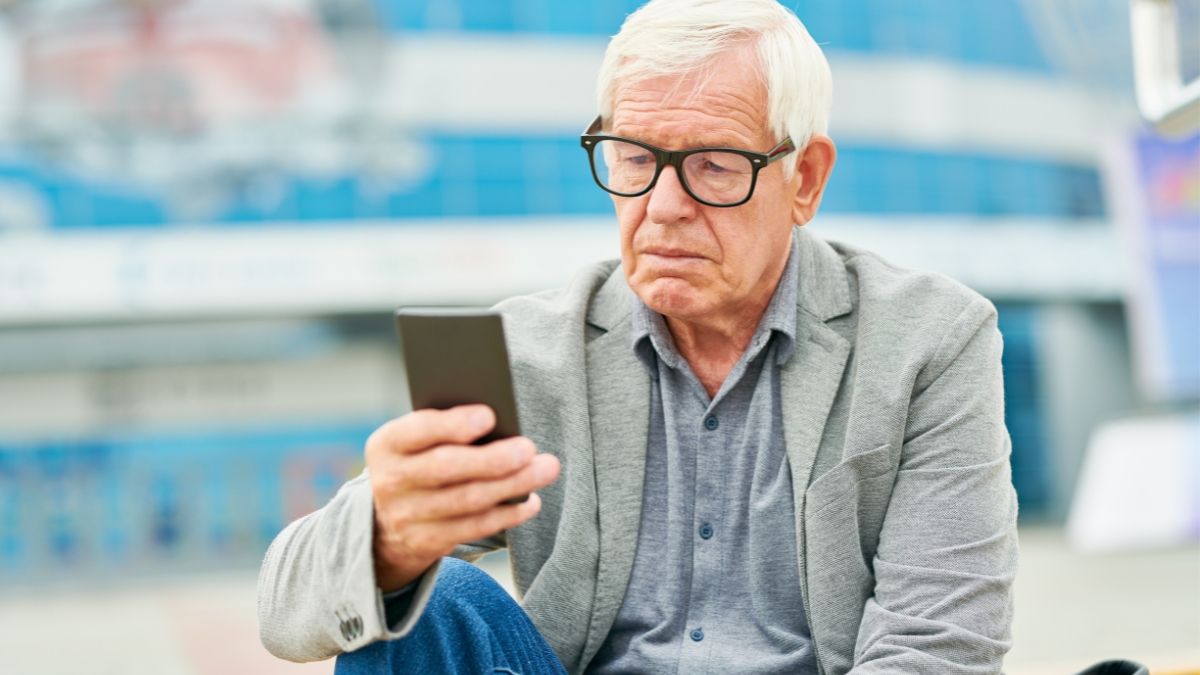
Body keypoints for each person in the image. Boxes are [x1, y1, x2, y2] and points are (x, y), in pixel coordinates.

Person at [257, 0, 1019, 672]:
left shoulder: (928, 340)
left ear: (807, 179)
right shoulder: (530, 353)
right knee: (429, 598)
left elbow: (935, 645)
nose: (662, 206)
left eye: (714, 165)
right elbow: (284, 612)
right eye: (636, 158)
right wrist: (386, 541)